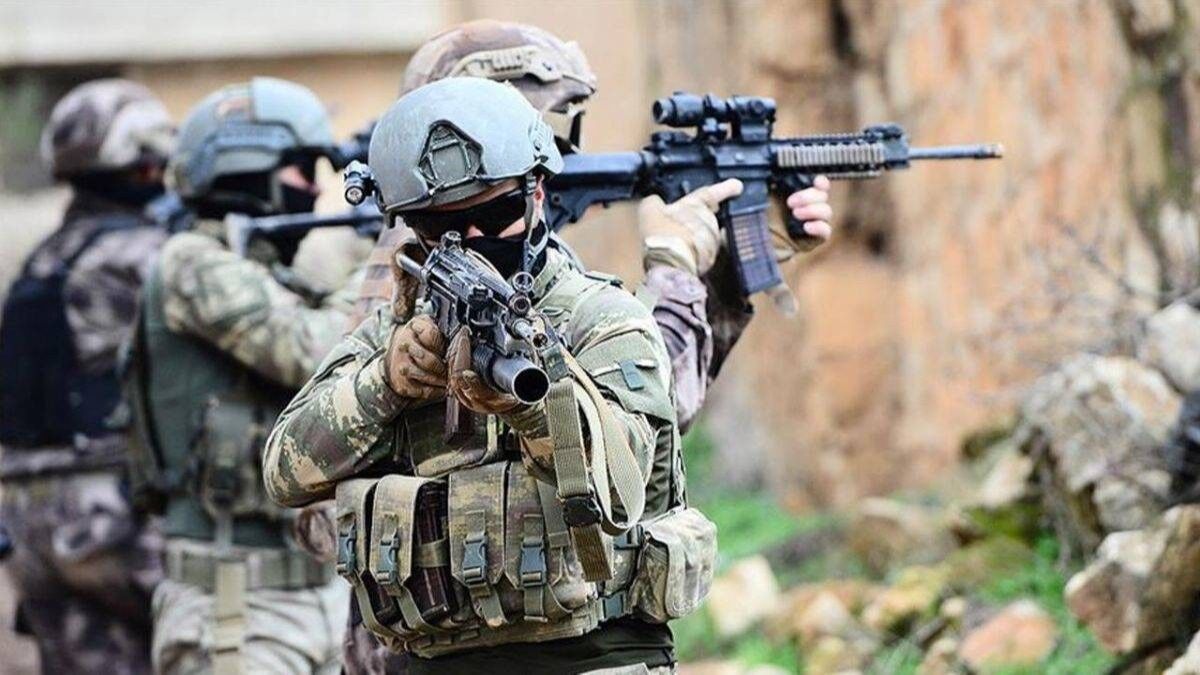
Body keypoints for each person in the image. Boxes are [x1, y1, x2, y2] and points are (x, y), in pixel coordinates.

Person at [333, 20, 835, 674]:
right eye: (540, 121)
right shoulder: (419, 275)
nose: (558, 150)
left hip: (540, 628)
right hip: (444, 638)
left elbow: (633, 426)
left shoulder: (489, 255)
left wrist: (728, 270)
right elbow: (640, 434)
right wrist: (675, 270)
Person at [264, 76, 712, 674]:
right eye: (443, 230)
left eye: (497, 213)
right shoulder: (393, 334)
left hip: (594, 655)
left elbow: (624, 486)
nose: (475, 242)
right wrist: (386, 385)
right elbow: (284, 473)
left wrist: (534, 407)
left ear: (537, 194)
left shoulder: (601, 318)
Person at [125, 77, 352, 674]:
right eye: (304, 169)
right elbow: (312, 350)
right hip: (232, 605)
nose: (316, 188)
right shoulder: (192, 262)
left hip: (317, 596)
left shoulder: (271, 273)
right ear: (249, 166)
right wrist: (382, 257)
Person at [0, 78, 175, 675]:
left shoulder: (46, 257)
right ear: (146, 162)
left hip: (27, 513)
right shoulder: (147, 255)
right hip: (110, 508)